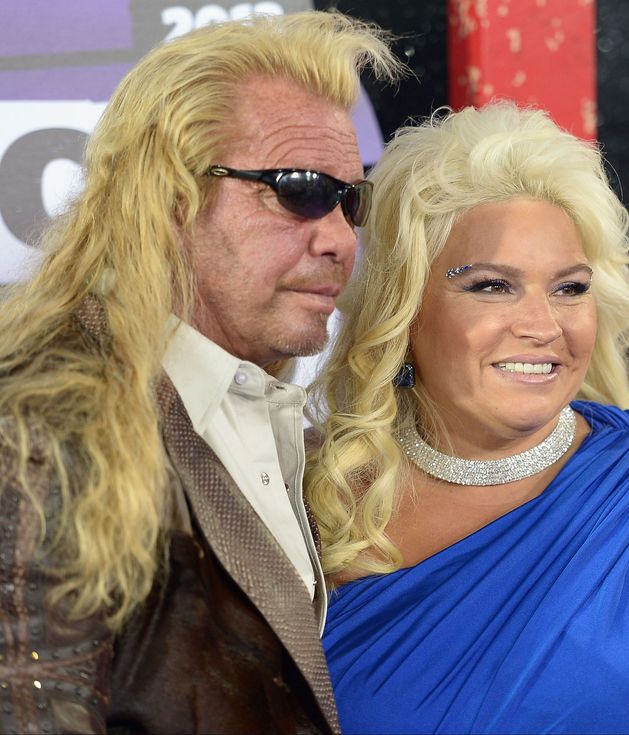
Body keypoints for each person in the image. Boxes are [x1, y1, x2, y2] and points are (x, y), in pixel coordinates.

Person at [0, 11, 402, 734]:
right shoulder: (41, 421)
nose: (341, 239)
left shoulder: (293, 432)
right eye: (299, 188)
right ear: (168, 195)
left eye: (349, 199)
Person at [304, 101, 629, 734]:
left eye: (570, 288)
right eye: (489, 286)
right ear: (406, 308)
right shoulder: (315, 499)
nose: (542, 326)